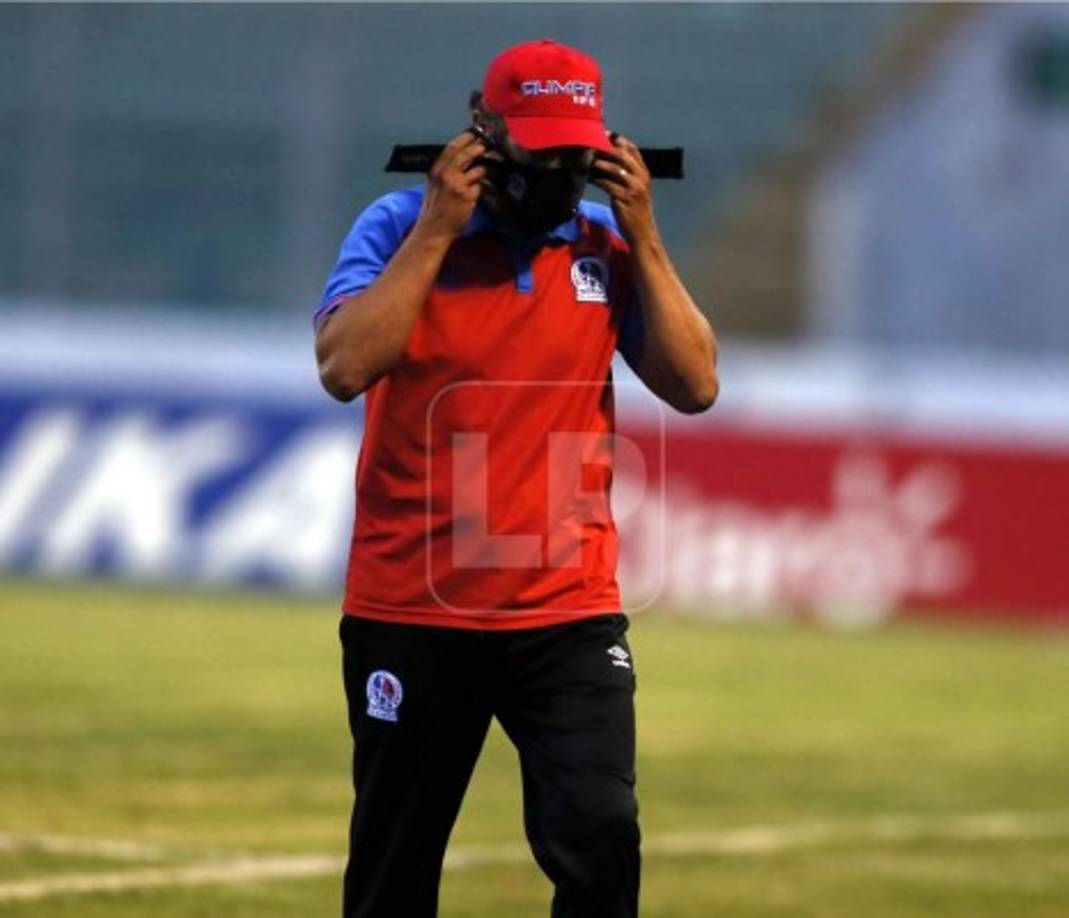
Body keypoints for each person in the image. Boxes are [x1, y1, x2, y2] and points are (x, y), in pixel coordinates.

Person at [313, 38, 718, 918]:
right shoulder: (394, 226)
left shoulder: (608, 245)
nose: (557, 169)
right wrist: (434, 230)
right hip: (412, 608)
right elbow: (344, 367)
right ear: (482, 130)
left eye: (576, 150)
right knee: (393, 866)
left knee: (601, 836)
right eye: (538, 146)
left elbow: (694, 386)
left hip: (566, 613)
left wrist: (643, 234)